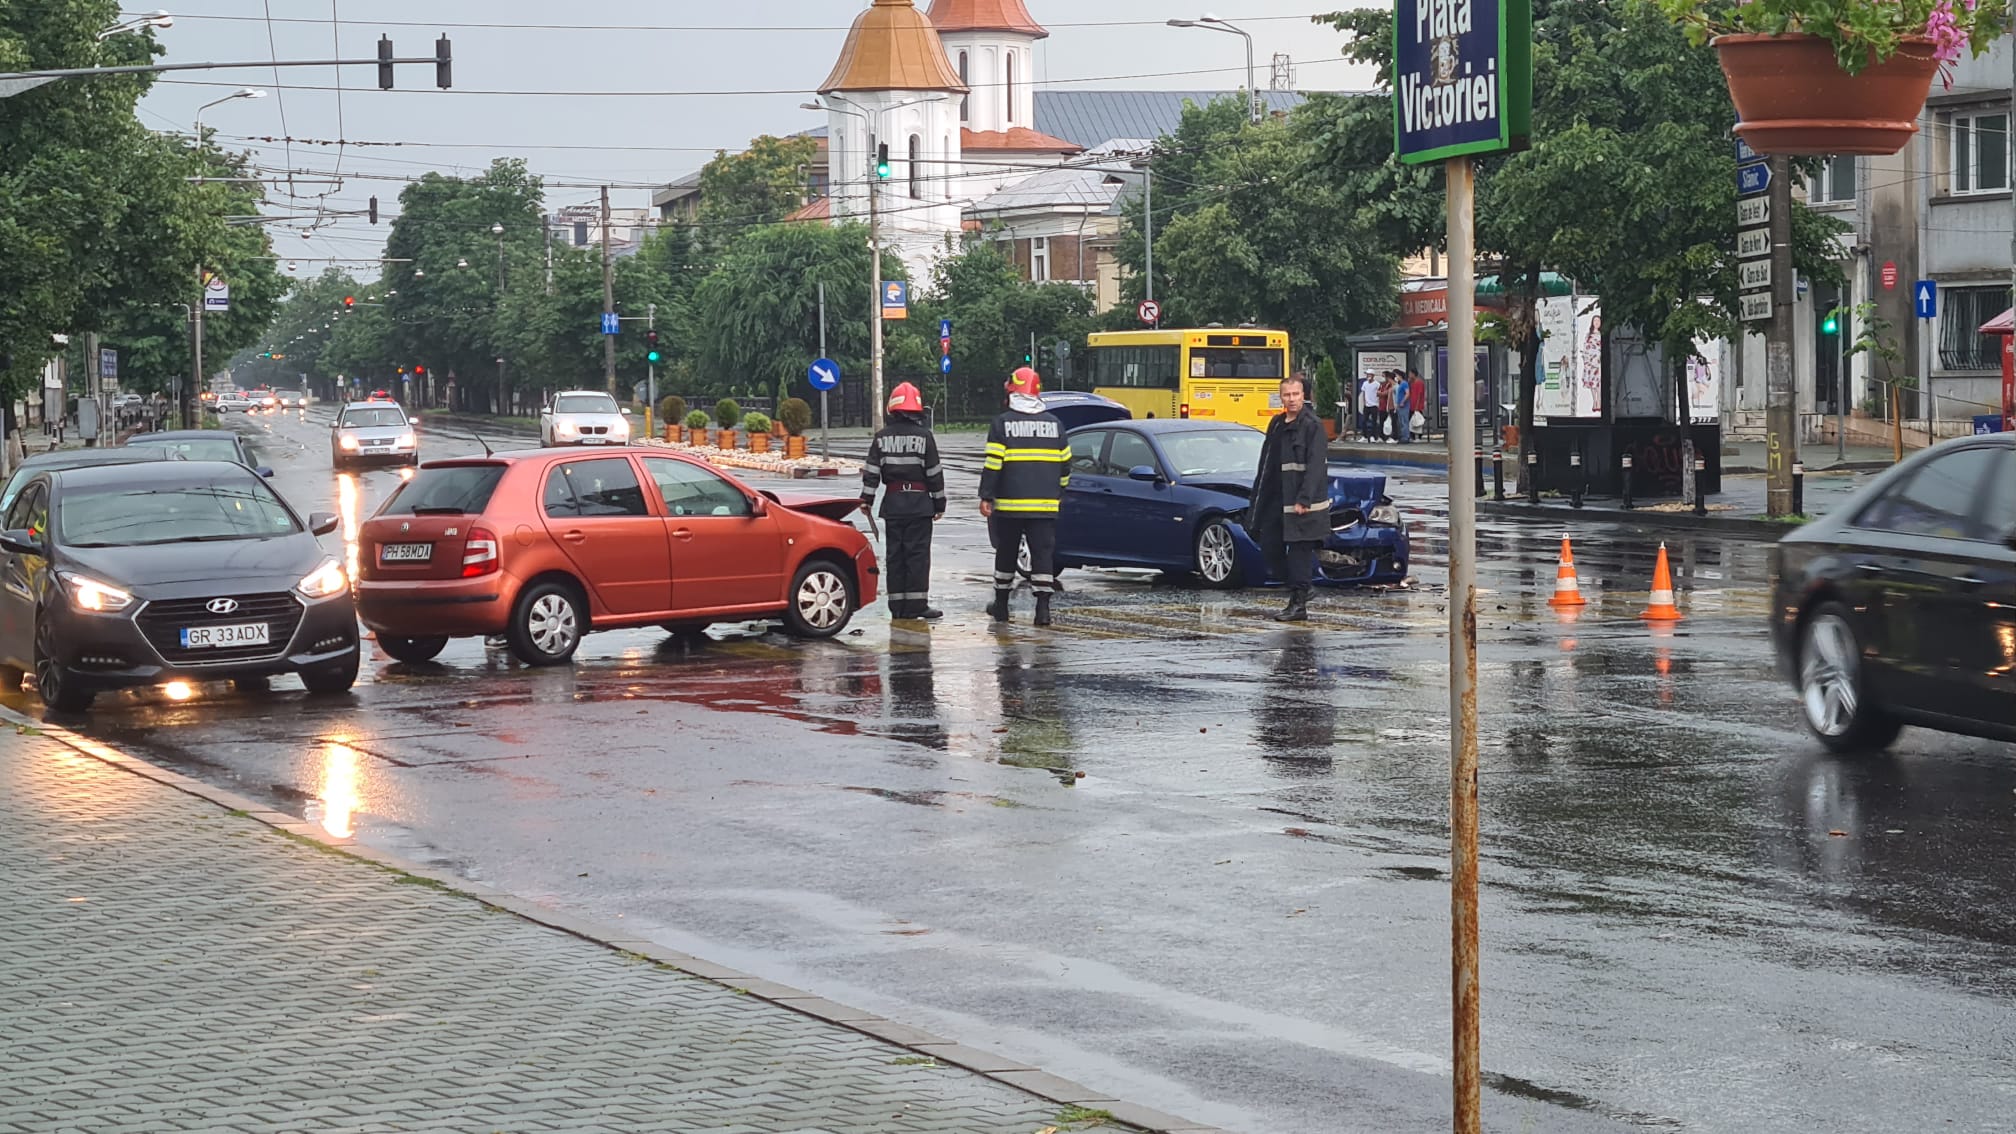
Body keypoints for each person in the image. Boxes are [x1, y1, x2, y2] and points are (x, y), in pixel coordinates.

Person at [979, 367, 1069, 626]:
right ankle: (1042, 611)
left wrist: (986, 495)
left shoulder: (1002, 424)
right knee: (1042, 555)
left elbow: (993, 464)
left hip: (1009, 506)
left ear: (1012, 392)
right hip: (1044, 505)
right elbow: (1066, 465)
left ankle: (1002, 606)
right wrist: (1058, 492)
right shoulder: (1055, 424)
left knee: (1006, 553)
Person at [861, 381, 946, 621]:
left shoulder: (881, 438)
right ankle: (917, 605)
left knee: (895, 557)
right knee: (917, 556)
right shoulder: (925, 437)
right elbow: (934, 474)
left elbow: (872, 473)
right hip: (920, 506)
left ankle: (897, 607)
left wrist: (866, 499)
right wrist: (939, 504)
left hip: (894, 504)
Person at [1251, 373, 1330, 622]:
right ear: (1281, 397)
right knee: (1270, 547)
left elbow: (1316, 465)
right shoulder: (1276, 423)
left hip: (1302, 503)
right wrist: (1257, 503)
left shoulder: (1312, 425)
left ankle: (1298, 604)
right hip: (1276, 498)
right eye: (1287, 395)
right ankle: (1303, 589)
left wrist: (1304, 499)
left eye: (1296, 394)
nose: (1292, 399)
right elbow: (1266, 465)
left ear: (1303, 396)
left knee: (1299, 553)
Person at [1358, 371, 1381, 442]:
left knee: (1374, 421)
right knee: (1364, 421)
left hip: (1374, 405)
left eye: (1369, 374)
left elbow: (1379, 393)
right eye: (1367, 374)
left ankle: (1373, 436)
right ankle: (1364, 436)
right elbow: (1364, 393)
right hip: (1367, 405)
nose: (1368, 376)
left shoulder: (1377, 384)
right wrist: (1364, 402)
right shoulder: (1365, 383)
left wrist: (1378, 402)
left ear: (1373, 375)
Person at [1408, 367, 1429, 443]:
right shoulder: (1411, 383)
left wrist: (1417, 406)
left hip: (1417, 406)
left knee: (1418, 420)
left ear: (1414, 374)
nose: (1409, 375)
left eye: (1410, 374)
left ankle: (1419, 436)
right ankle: (1412, 436)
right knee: (1411, 421)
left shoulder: (1419, 383)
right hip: (1411, 405)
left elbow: (1419, 395)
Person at [1392, 370, 1413, 444]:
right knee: (1401, 422)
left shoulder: (1404, 383)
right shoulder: (1400, 384)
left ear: (1400, 376)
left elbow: (1407, 393)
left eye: (1396, 376)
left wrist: (1402, 402)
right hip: (1399, 406)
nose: (1396, 377)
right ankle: (1402, 436)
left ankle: (1405, 437)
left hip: (1404, 406)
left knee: (1404, 421)